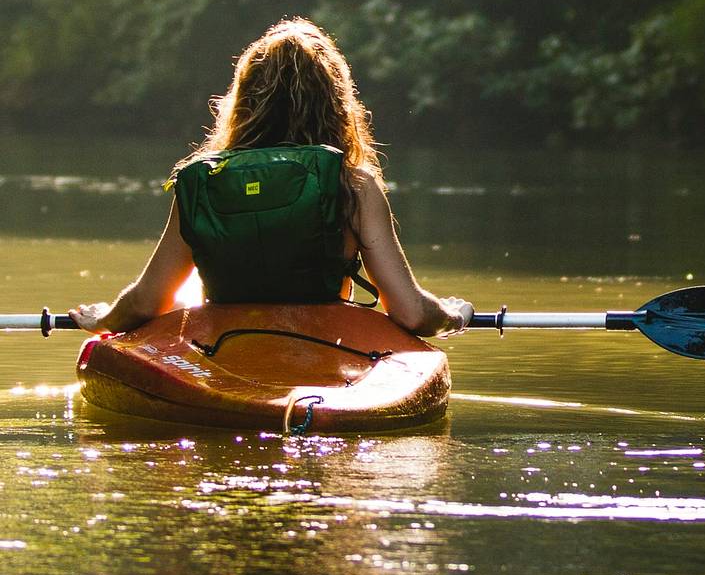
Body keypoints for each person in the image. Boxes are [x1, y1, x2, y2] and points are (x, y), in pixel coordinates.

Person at [70, 19, 473, 338]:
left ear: (243, 101)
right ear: (336, 104)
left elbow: (145, 303)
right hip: (325, 347)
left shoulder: (204, 182)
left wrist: (105, 317)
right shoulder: (354, 186)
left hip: (224, 347)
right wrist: (452, 315)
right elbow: (411, 313)